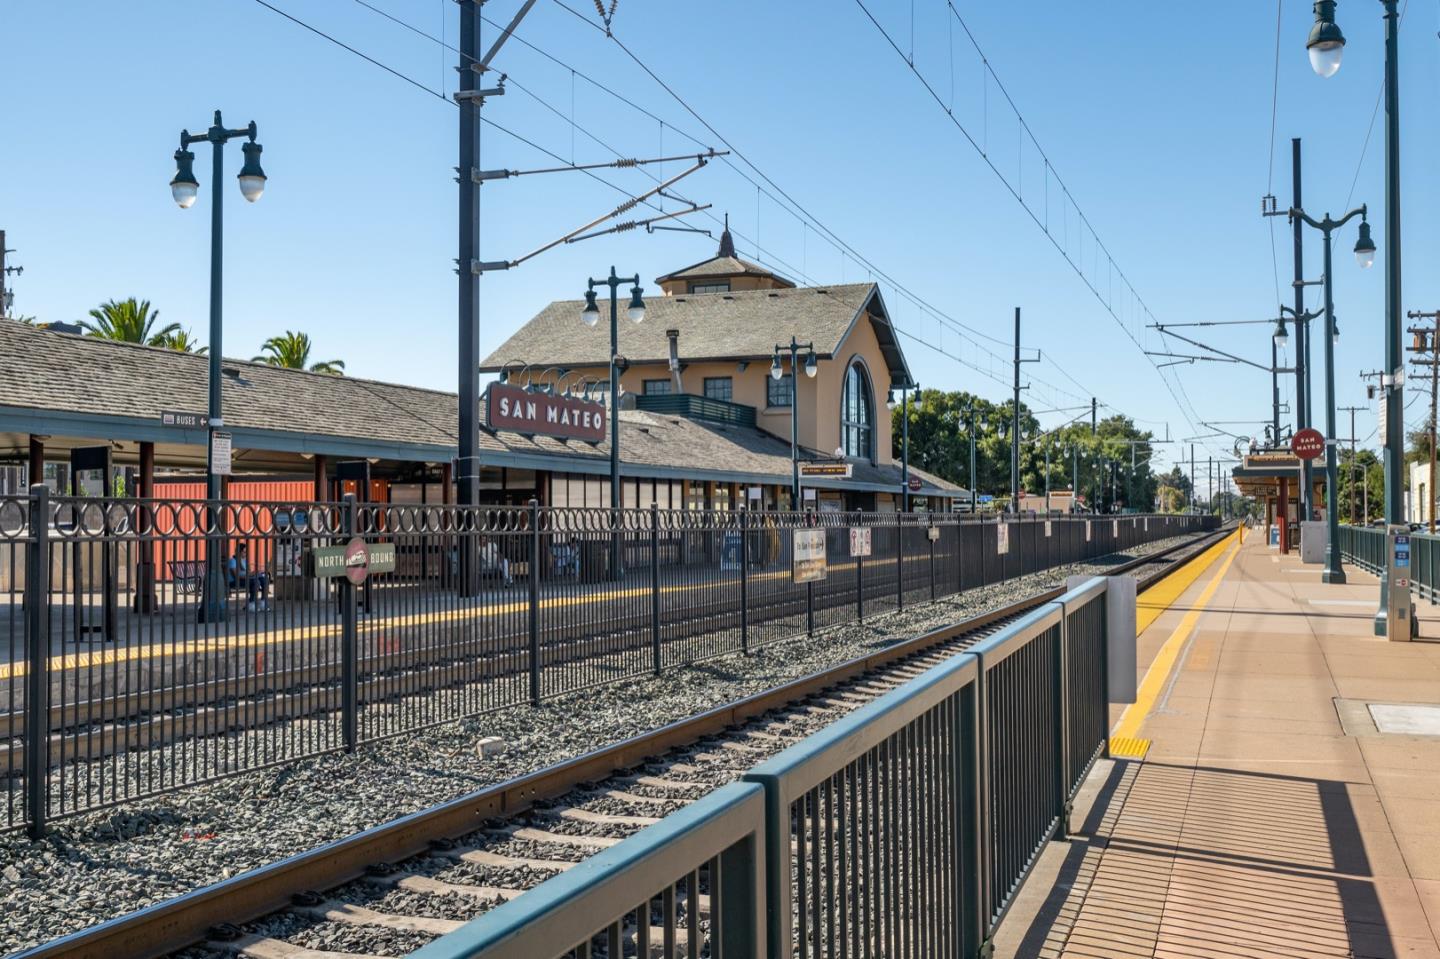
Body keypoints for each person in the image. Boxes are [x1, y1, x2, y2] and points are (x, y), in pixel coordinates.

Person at [228, 543, 270, 611]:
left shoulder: (244, 561)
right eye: (244, 552)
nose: (245, 554)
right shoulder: (232, 561)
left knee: (264, 579)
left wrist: (255, 573)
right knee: (255, 582)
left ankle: (263, 602)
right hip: (236, 581)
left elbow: (249, 572)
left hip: (246, 578)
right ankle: (251, 603)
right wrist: (251, 575)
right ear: (239, 552)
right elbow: (236, 576)